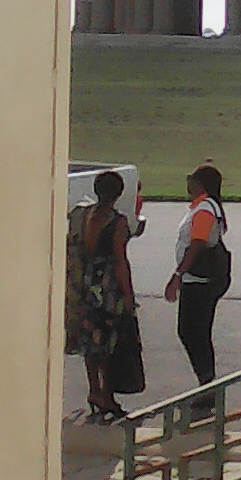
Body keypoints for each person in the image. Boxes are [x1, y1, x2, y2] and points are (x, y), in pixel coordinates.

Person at [65, 170, 137, 422]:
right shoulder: (116, 222)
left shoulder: (81, 215)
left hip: (83, 284)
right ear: (118, 194)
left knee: (89, 341)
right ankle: (106, 394)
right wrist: (128, 294)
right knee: (106, 342)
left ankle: (94, 390)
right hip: (106, 288)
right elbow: (119, 260)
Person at [165, 163, 232, 413]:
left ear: (199, 183)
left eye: (190, 178)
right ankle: (207, 386)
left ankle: (207, 387)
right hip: (203, 280)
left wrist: (177, 275)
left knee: (192, 332)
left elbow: (197, 244)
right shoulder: (207, 206)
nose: (187, 182)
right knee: (196, 333)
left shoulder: (204, 210)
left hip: (199, 282)